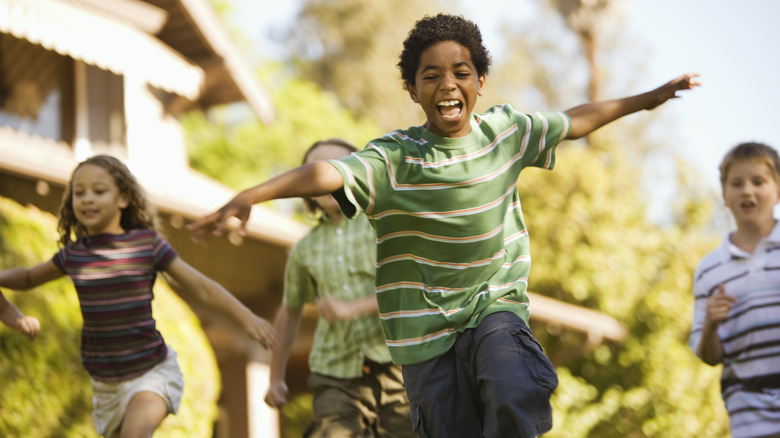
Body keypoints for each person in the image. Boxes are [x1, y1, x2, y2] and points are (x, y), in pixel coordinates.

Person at [188, 13, 700, 438]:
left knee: (511, 382)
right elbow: (327, 172)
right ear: (412, 90)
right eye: (430, 76)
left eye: (461, 71)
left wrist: (649, 98)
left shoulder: (506, 132)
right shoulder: (396, 158)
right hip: (423, 333)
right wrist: (252, 194)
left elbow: (575, 119)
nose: (447, 84)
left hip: (492, 304)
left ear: (480, 81)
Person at [0, 155, 276, 438]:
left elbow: (201, 286)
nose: (87, 199)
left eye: (99, 191)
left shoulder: (147, 245)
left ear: (123, 199)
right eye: (78, 193)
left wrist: (246, 316)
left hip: (153, 371)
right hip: (106, 386)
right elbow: (29, 277)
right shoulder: (75, 255)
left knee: (135, 432)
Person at [264, 139, 413, 437]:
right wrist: (275, 377)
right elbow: (290, 312)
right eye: (316, 175)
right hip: (336, 372)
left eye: (338, 168)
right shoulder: (304, 249)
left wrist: (351, 308)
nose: (327, 179)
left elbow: (409, 286)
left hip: (402, 367)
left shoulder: (386, 222)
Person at [689, 142, 780, 438]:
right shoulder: (709, 269)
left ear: (777, 190)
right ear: (725, 196)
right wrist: (711, 325)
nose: (747, 191)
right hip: (750, 417)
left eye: (759, 181)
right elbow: (709, 356)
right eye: (737, 183)